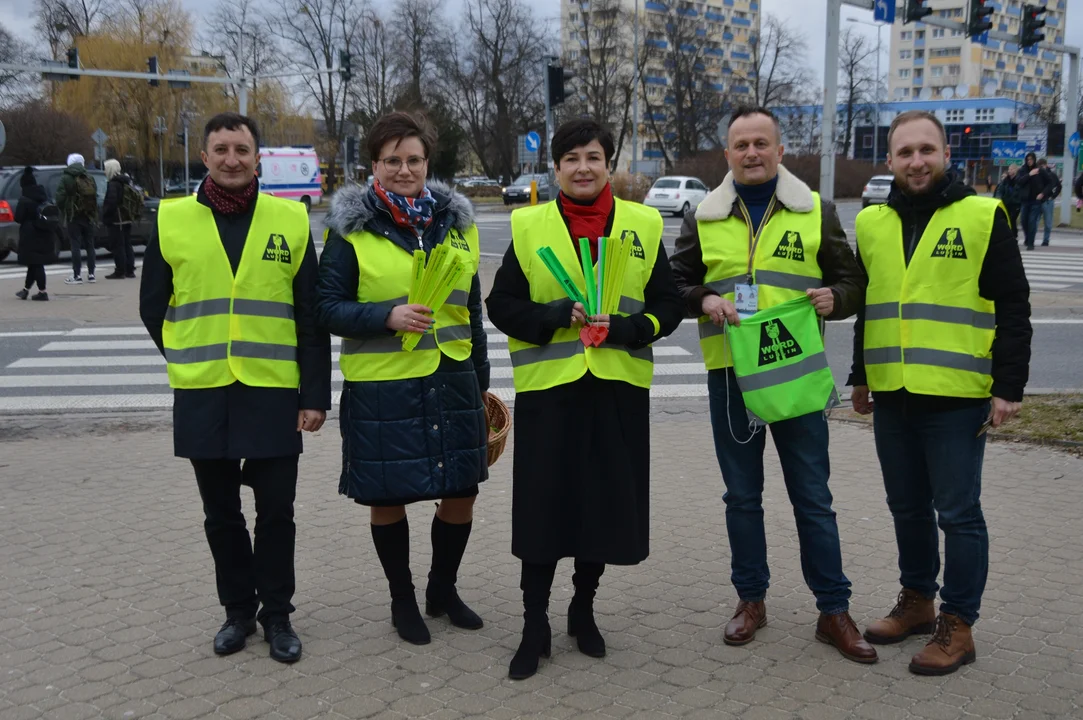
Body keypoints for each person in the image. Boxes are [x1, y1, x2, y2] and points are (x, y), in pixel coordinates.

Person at [670, 106, 875, 664]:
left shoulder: (816, 211)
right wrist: (702, 299)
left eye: (763, 142)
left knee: (813, 497)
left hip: (796, 380)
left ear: (780, 151)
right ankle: (751, 600)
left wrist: (838, 299)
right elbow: (674, 282)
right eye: (742, 145)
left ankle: (833, 609)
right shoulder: (704, 216)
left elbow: (853, 281)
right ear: (728, 154)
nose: (752, 152)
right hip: (731, 378)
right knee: (742, 497)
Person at [487, 119, 683, 680]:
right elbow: (501, 306)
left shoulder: (643, 225)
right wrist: (551, 317)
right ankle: (534, 625)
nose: (582, 168)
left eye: (593, 157)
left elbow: (667, 305)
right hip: (551, 393)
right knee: (544, 510)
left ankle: (582, 609)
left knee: (601, 506)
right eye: (570, 158)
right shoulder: (530, 227)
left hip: (616, 389)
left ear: (608, 164)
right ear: (555, 168)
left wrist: (630, 327)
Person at [139, 112, 331, 664]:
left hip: (273, 391)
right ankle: (237, 613)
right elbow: (154, 305)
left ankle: (278, 615)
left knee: (277, 514)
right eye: (221, 148)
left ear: (257, 157)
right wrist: (185, 358)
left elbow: (309, 317)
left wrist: (314, 395)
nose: (231, 159)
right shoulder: (172, 219)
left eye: (241, 149)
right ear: (204, 156)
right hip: (203, 391)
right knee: (221, 514)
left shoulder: (290, 220)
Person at [850, 110, 1032, 676]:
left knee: (957, 512)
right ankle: (918, 601)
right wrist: (860, 375)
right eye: (904, 153)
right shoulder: (872, 222)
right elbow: (869, 308)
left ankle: (959, 624)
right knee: (906, 507)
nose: (916, 161)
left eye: (926, 150)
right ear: (890, 161)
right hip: (892, 393)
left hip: (956, 395)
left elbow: (1013, 305)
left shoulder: (982, 215)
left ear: (946, 155)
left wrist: (1009, 387)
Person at [317, 111, 491, 647]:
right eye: (392, 160)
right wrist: (385, 316)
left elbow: (472, 310)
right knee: (388, 495)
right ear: (374, 165)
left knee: (461, 490)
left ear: (426, 163)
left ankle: (443, 589)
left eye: (413, 159)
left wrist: (481, 382)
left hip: (452, 379)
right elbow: (325, 307)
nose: (404, 169)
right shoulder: (353, 230)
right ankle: (402, 600)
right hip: (382, 385)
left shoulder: (457, 226)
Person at [14, 166, 58, 301]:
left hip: (30, 235)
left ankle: (42, 292)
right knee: (34, 263)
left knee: (36, 264)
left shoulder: (25, 199)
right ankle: (26, 290)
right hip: (44, 232)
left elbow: (18, 218)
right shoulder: (43, 195)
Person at [54, 152, 98, 284]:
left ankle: (77, 275)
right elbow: (95, 195)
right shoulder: (89, 176)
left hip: (73, 215)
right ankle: (91, 274)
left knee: (75, 246)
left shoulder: (66, 177)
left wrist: (63, 209)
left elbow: (60, 197)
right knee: (90, 245)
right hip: (89, 215)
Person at [101, 158, 138, 279]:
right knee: (127, 244)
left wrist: (105, 215)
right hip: (127, 217)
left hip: (117, 220)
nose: (105, 171)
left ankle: (120, 270)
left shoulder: (113, 184)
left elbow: (111, 202)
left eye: (106, 169)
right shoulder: (126, 181)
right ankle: (130, 270)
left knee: (118, 245)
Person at [1017, 152, 1053, 251]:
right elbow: (1019, 182)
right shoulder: (1023, 170)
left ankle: (1030, 243)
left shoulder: (1040, 171)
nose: (1029, 161)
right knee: (1023, 221)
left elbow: (1050, 183)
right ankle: (1028, 238)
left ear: (1034, 160)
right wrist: (1029, 174)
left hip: (1036, 200)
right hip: (1025, 200)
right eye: (1028, 159)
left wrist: (1043, 193)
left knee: (1032, 221)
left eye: (1031, 159)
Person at [993, 165, 1023, 240]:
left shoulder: (1019, 180)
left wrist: (1018, 199)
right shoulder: (1005, 181)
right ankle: (1011, 234)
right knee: (1007, 219)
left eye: (1012, 169)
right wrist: (998, 198)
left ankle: (1013, 235)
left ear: (1015, 170)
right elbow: (1000, 190)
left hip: (1015, 204)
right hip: (1006, 203)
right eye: (1009, 169)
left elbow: (1020, 191)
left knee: (1012, 219)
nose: (1010, 171)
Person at [1036, 158, 1061, 247]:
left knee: (1048, 222)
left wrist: (1053, 196)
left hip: (1048, 201)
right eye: (1039, 167)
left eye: (1042, 166)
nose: (1041, 168)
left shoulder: (1052, 175)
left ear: (1045, 165)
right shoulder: (1037, 174)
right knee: (1035, 221)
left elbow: (1058, 186)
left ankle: (1046, 240)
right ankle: (1031, 238)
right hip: (1038, 201)